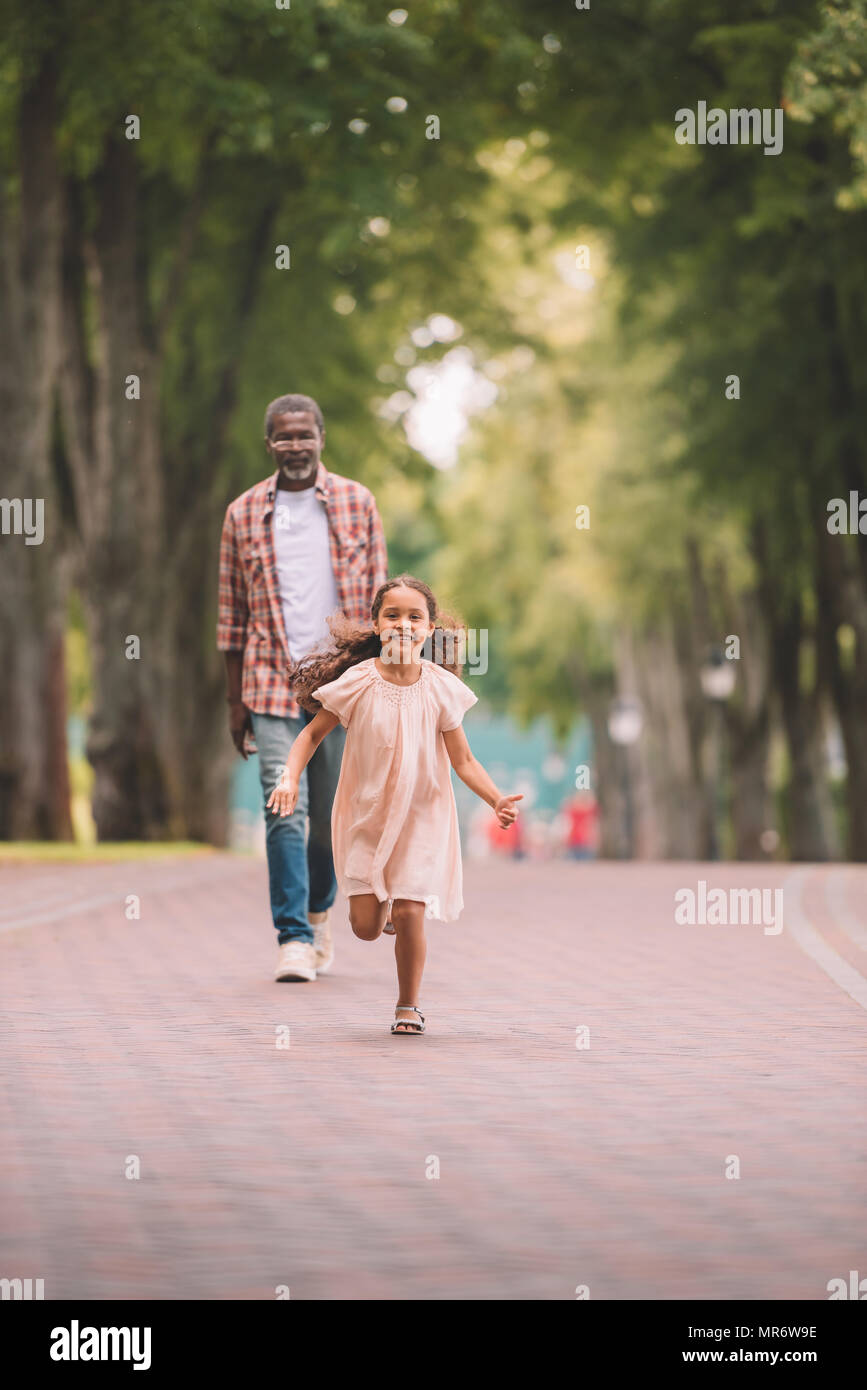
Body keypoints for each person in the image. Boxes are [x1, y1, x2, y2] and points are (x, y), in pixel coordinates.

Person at [266, 576, 523, 1034]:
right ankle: (380, 913)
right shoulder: (359, 682)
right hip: (367, 816)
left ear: (429, 629)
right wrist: (289, 776)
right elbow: (309, 735)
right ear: (376, 624)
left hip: (423, 813)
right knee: (365, 926)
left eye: (414, 617)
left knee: (410, 911)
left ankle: (408, 1005)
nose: (403, 625)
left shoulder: (442, 688)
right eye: (392, 615)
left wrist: (496, 798)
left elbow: (463, 760)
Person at [217, 393, 387, 983]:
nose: (295, 446)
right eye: (283, 437)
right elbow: (231, 616)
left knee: (330, 818)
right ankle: (291, 937)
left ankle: (318, 914)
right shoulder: (241, 514)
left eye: (304, 435)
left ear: (321, 437)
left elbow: (379, 609)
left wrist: (383, 683)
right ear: (269, 443)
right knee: (283, 810)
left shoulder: (356, 503)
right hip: (267, 683)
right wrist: (233, 699)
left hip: (339, 686)